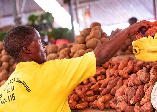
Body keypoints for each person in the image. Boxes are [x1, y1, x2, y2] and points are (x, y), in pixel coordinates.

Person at [0, 23, 143, 112]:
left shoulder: (4, 89)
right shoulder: (52, 71)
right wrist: (127, 32)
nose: (43, 46)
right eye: (38, 41)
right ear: (27, 49)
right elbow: (98, 57)